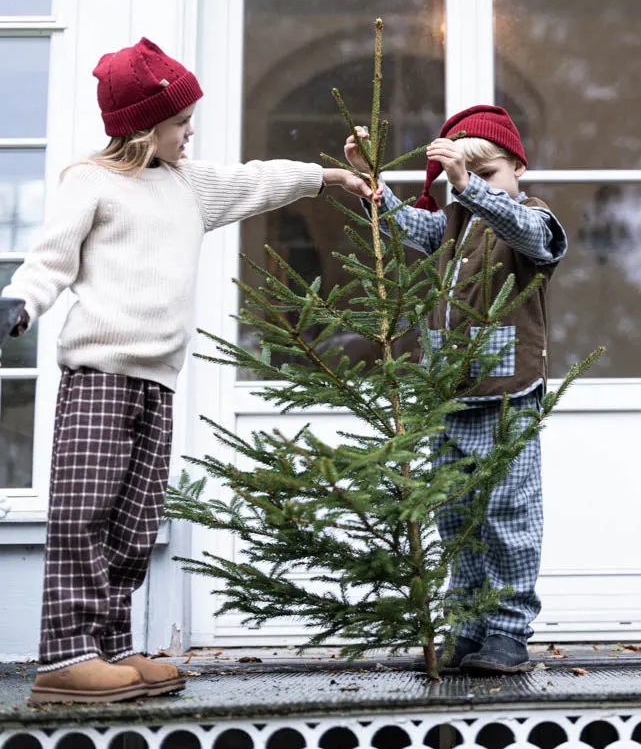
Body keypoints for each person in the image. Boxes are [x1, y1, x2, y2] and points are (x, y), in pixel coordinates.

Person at [2, 38, 377, 705]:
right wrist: (21, 304)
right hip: (99, 376)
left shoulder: (190, 185)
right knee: (85, 512)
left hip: (157, 380)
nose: (190, 131)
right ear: (144, 127)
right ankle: (65, 656)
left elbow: (259, 179)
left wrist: (330, 177)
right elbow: (50, 260)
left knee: (135, 519)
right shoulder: (90, 182)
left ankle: (112, 644)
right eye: (180, 123)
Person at [345, 105, 567, 675]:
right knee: (457, 518)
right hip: (450, 396)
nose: (471, 190)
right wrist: (373, 185)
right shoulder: (453, 223)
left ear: (519, 165)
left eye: (489, 175)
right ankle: (468, 626)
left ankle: (509, 631)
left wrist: (469, 186)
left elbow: (527, 234)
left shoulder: (533, 219)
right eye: (461, 181)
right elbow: (403, 225)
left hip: (507, 396)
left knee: (508, 515)